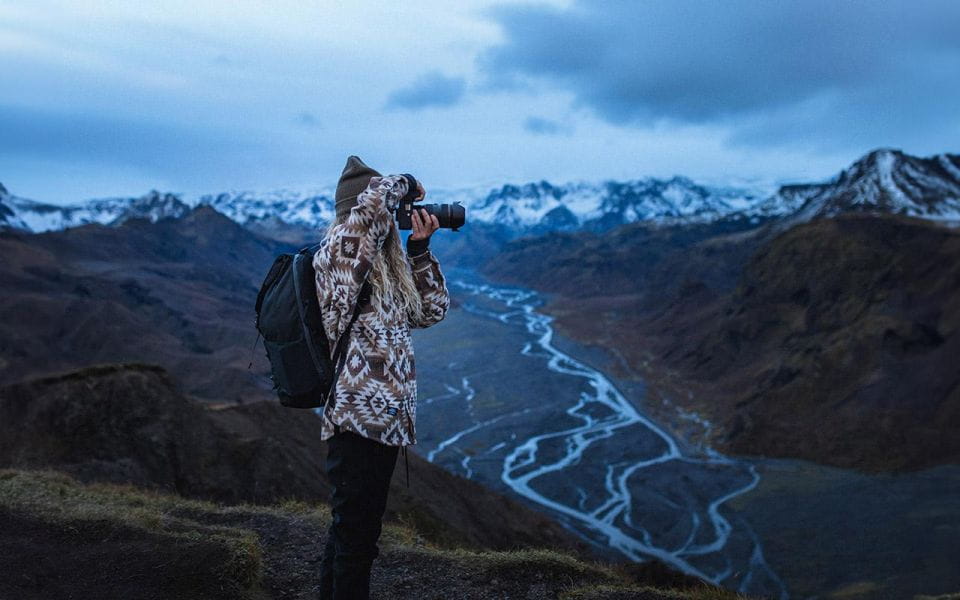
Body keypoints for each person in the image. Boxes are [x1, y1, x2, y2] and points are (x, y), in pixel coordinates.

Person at [313, 155, 450, 599]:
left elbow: (430, 312)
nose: (392, 219)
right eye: (389, 214)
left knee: (354, 534)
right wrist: (406, 182)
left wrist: (419, 249)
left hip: (386, 422)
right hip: (355, 420)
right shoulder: (339, 254)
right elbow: (370, 210)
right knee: (355, 538)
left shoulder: (381, 269)